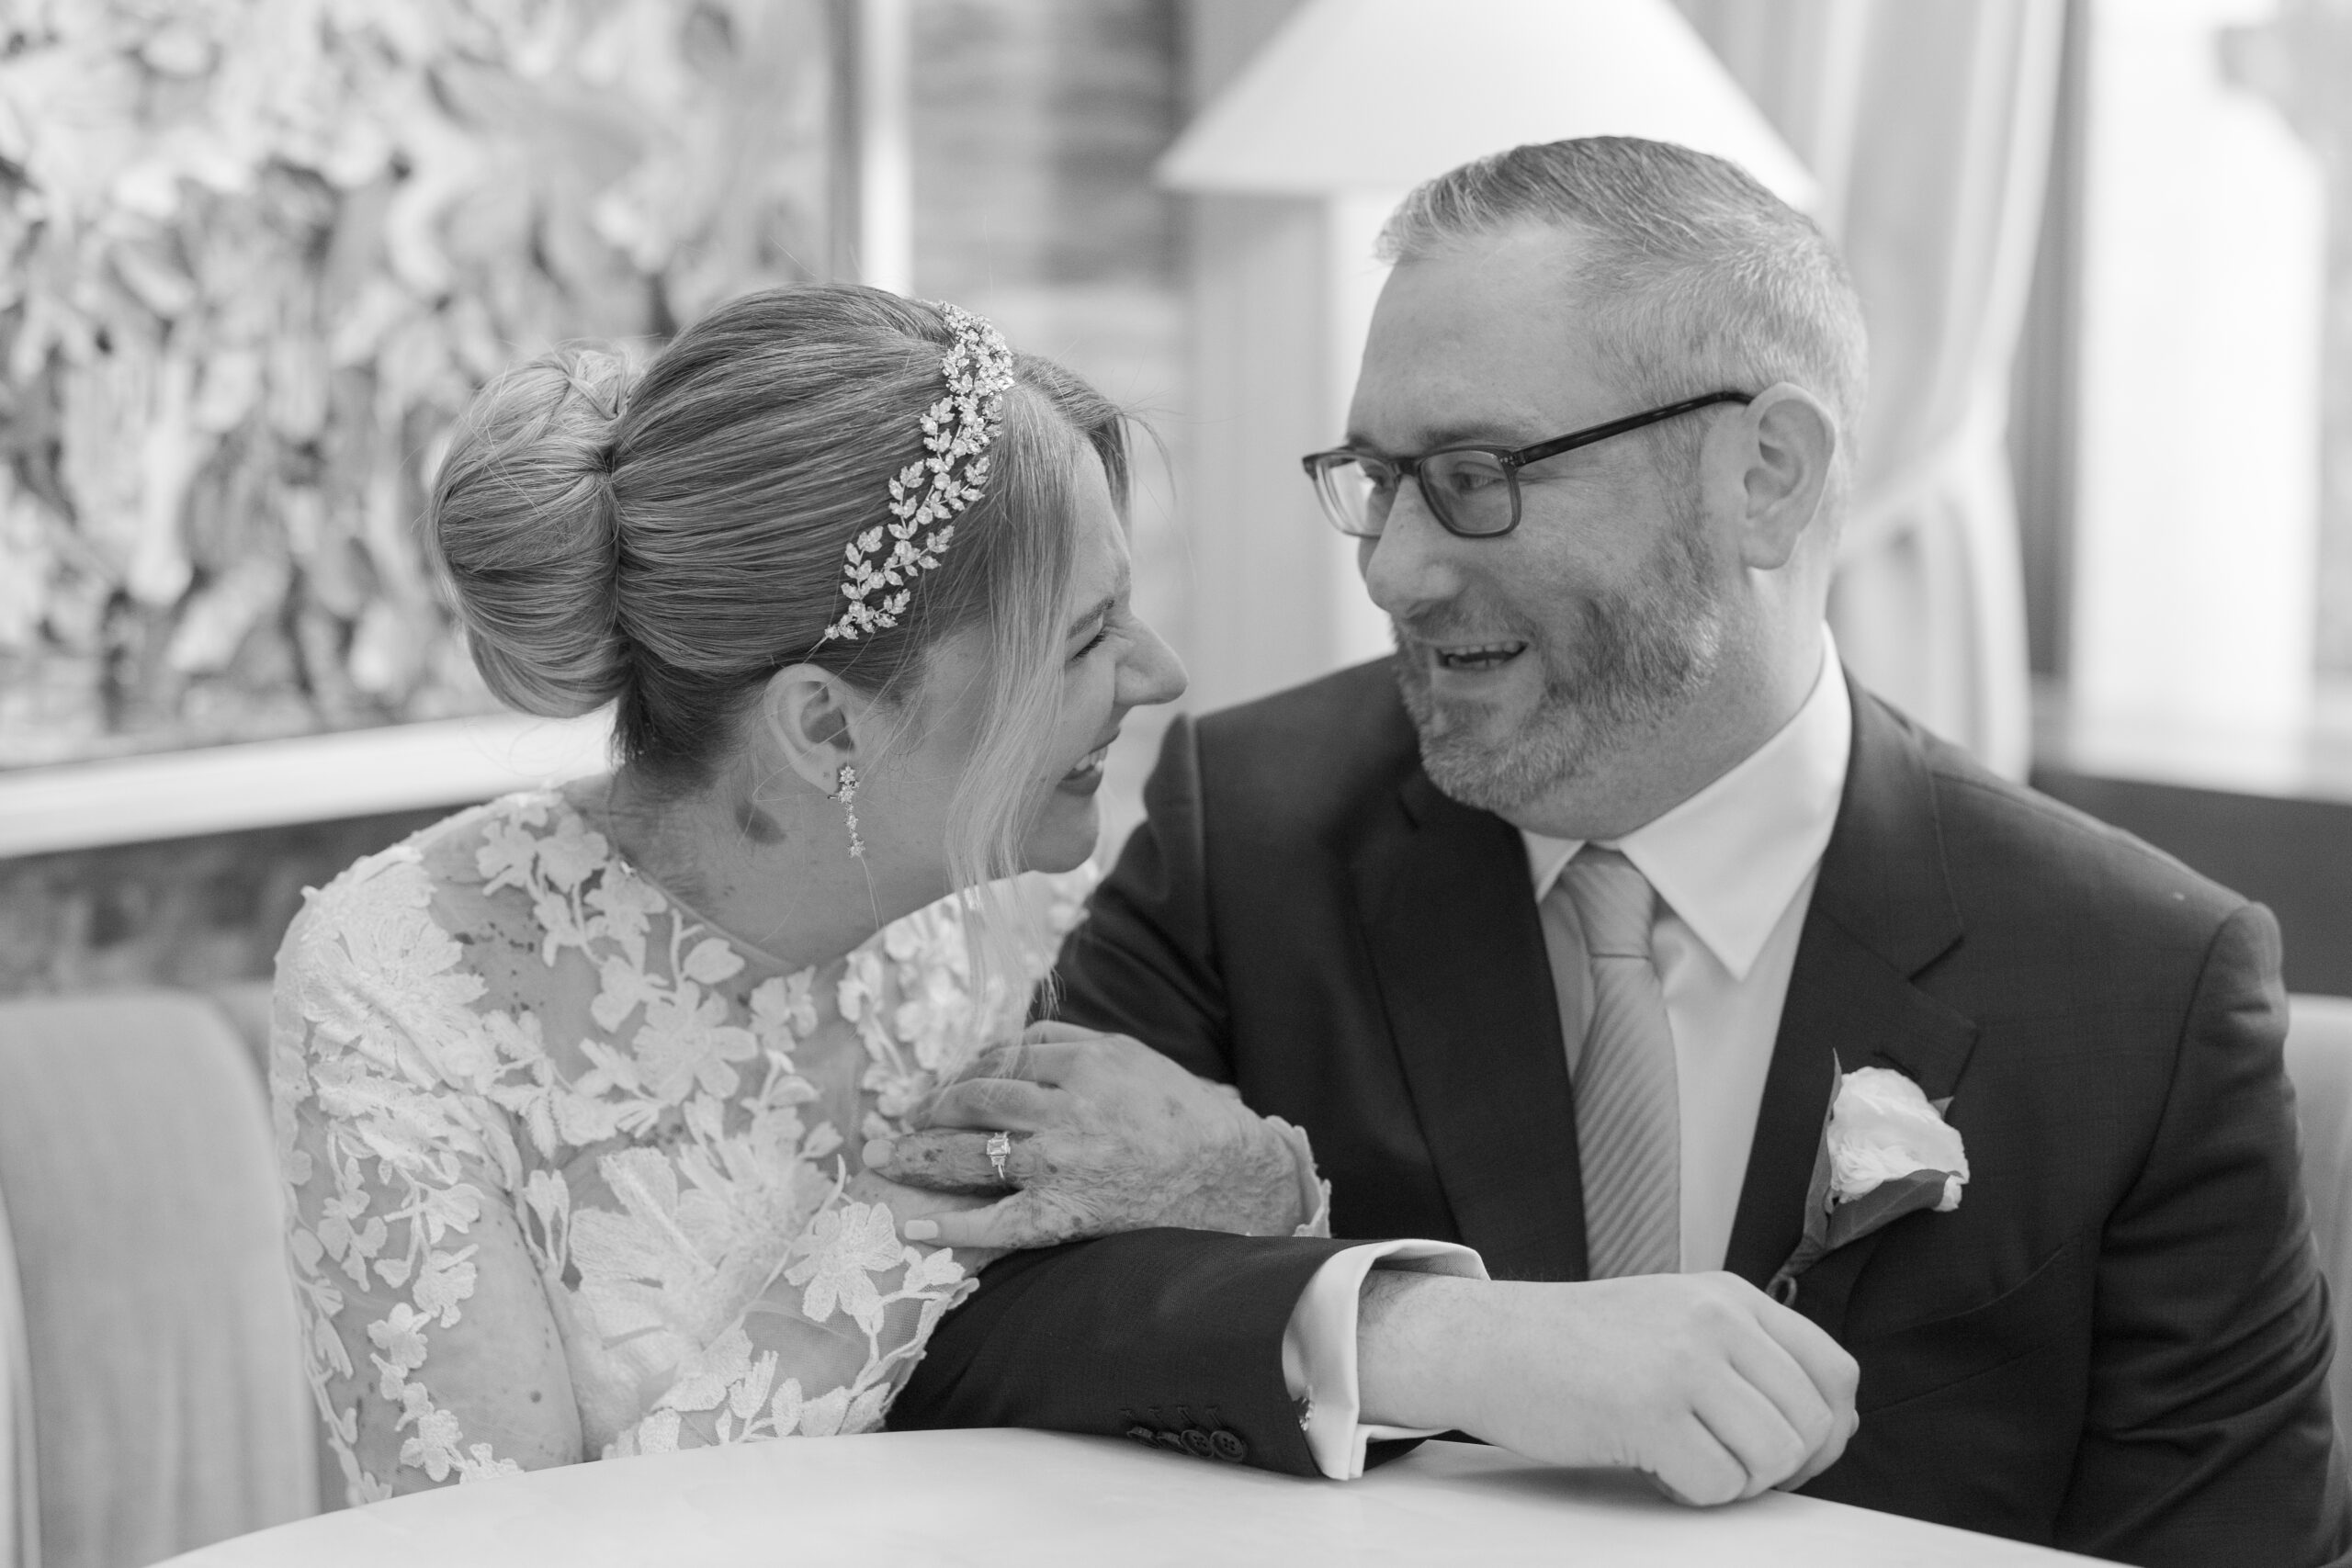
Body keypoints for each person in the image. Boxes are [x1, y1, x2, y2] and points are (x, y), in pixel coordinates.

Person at [874, 138, 2350, 1566]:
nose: (1393, 570)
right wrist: (1425, 1334)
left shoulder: (2142, 986)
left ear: (1764, 473)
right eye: (1376, 480)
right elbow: (985, 1327)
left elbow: (2222, 1544)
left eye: (1472, 473)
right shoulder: (1247, 828)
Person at [266, 286, 1328, 1502]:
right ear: (827, 723)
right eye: (1084, 640)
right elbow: (481, 1556)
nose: (1161, 674)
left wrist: (1253, 1189)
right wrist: (897, 1237)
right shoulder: (405, 981)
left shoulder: (1029, 917)